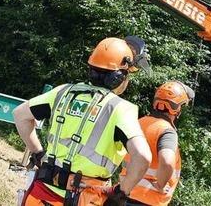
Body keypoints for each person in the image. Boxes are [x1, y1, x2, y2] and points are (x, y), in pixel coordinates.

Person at [13, 36, 153, 206]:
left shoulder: (62, 92)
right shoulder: (120, 109)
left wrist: (38, 153)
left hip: (41, 195)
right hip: (84, 198)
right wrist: (121, 193)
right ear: (119, 76)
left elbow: (20, 115)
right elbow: (143, 157)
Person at [121, 81, 195, 206]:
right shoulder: (167, 132)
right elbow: (166, 162)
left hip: (124, 194)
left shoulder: (138, 123)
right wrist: (160, 185)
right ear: (177, 110)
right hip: (149, 200)